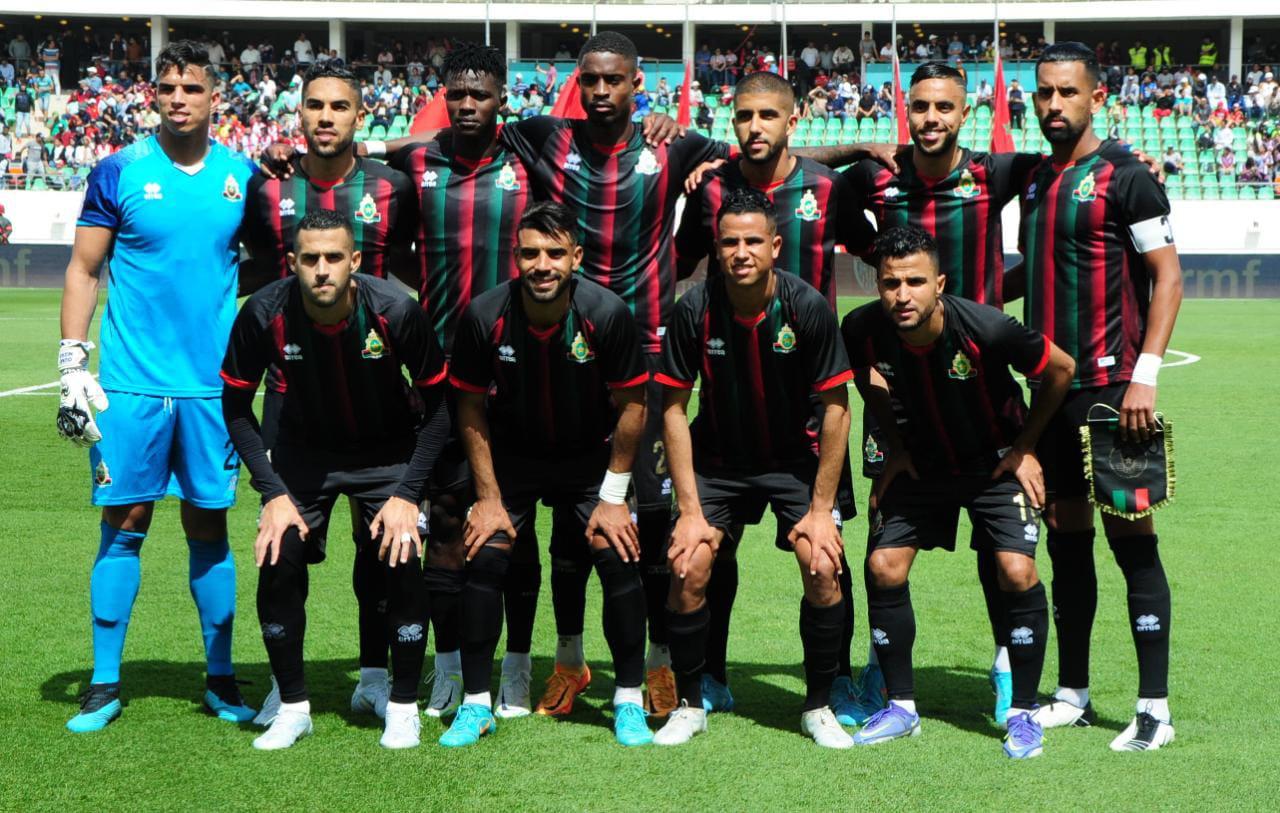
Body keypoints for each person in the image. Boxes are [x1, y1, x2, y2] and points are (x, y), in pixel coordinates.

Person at [56, 40, 257, 733]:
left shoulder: (243, 177)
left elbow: (267, 273)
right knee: (124, 523)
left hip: (210, 388)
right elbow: (85, 268)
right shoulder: (118, 171)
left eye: (191, 88)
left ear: (214, 96)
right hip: (132, 387)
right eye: (167, 86)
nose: (178, 98)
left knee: (210, 524)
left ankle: (222, 678)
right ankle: (105, 682)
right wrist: (71, 363)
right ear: (154, 95)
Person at [844, 62, 1046, 725]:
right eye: (921, 107)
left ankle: (1005, 660)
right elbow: (833, 199)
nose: (931, 118)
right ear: (908, 111)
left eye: (944, 108)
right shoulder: (879, 178)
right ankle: (884, 669)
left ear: (965, 114)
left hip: (977, 379)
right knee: (885, 540)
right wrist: (850, 149)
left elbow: (1061, 167)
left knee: (1002, 552)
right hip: (903, 397)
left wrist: (1140, 164)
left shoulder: (994, 174)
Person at [675, 70, 873, 721]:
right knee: (712, 551)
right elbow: (673, 265)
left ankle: (838, 679)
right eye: (742, 116)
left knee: (826, 554)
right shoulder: (709, 190)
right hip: (727, 400)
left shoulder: (825, 185)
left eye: (767, 115)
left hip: (809, 411)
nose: (754, 127)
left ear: (793, 121)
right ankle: (711, 677)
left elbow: (883, 252)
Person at [1006, 42, 1183, 752]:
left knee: (1132, 544)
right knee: (1067, 544)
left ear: (1095, 97)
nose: (1053, 106)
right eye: (1043, 94)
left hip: (1113, 394)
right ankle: (1073, 693)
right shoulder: (1037, 181)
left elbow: (1167, 278)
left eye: (1066, 93)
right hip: (1049, 394)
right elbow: (1041, 267)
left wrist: (1147, 372)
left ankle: (1154, 708)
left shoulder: (1127, 177)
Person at [841, 224, 1075, 758]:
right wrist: (895, 445)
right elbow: (865, 379)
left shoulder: (987, 329)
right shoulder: (862, 328)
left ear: (939, 283)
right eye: (890, 283)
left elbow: (1061, 369)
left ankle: (1022, 712)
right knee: (882, 566)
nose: (902, 295)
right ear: (877, 285)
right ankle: (901, 707)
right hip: (923, 465)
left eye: (915, 282)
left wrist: (1027, 447)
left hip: (994, 464)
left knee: (1017, 571)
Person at [221, 209, 449, 750]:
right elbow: (234, 406)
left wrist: (407, 493)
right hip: (304, 456)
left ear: (355, 261)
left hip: (387, 454)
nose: (321, 270)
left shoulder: (396, 311)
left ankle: (401, 705)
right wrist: (272, 492)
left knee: (400, 555)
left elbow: (440, 408)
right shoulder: (263, 312)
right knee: (278, 554)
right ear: (293, 263)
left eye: (332, 258)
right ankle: (293, 705)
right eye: (309, 259)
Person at [239, 61, 418, 726]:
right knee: (286, 546)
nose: (324, 117)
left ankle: (374, 676)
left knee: (380, 550)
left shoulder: (393, 187)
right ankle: (286, 689)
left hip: (374, 388)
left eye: (339, 106)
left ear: (358, 116)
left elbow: (411, 270)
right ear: (300, 113)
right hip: (292, 394)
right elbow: (259, 273)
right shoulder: (268, 192)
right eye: (314, 105)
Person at [441, 202, 652, 748]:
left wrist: (612, 496)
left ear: (576, 258)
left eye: (555, 253)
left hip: (588, 462)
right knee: (484, 555)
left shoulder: (606, 314)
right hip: (512, 460)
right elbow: (467, 407)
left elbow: (633, 406)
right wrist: (486, 497)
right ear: (515, 257)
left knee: (618, 553)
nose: (542, 264)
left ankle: (628, 700)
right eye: (531, 252)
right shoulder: (485, 315)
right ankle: (476, 704)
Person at [653, 188, 854, 749]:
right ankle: (691, 704)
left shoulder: (807, 306)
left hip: (793, 460)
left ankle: (818, 706)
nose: (740, 252)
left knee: (821, 564)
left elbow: (838, 408)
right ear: (717, 249)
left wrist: (820, 510)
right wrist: (690, 511)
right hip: (719, 460)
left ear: (775, 245)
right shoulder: (694, 307)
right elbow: (672, 407)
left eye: (751, 242)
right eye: (729, 243)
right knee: (688, 564)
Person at [384, 43, 539, 720]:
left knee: (518, 526)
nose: (469, 103)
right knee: (445, 522)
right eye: (458, 94)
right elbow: (370, 165)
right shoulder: (418, 162)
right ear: (444, 96)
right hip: (441, 371)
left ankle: (517, 665)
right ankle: (447, 667)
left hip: (520, 372)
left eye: (481, 93)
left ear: (503, 97)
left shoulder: (532, 157)